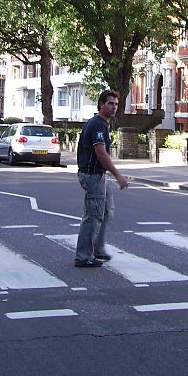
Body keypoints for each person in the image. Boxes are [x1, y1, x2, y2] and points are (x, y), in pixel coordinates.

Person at [74, 89, 129, 268]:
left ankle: (97, 249)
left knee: (106, 211)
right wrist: (118, 175)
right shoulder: (98, 124)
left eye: (116, 104)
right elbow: (101, 153)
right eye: (110, 103)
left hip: (99, 175)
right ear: (101, 105)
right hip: (93, 175)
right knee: (93, 215)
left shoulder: (102, 124)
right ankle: (83, 256)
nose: (114, 107)